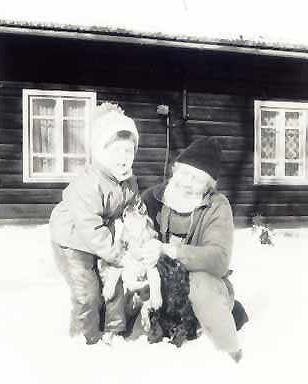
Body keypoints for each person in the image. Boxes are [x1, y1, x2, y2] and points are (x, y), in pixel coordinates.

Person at [140, 136, 243, 362]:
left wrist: (171, 250)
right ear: (174, 171)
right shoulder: (152, 197)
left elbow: (218, 259)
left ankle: (230, 355)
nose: (187, 183)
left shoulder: (217, 206)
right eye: (184, 173)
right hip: (159, 282)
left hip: (198, 283)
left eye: (196, 179)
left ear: (208, 186)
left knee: (202, 287)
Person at [49, 102, 139, 345]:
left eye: (129, 151)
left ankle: (115, 331)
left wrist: (138, 232)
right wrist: (117, 254)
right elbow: (90, 227)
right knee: (88, 292)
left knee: (114, 279)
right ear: (101, 151)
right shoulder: (89, 183)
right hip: (72, 240)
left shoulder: (129, 181)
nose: (124, 157)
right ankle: (84, 339)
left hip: (102, 237)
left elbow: (134, 209)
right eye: (117, 150)